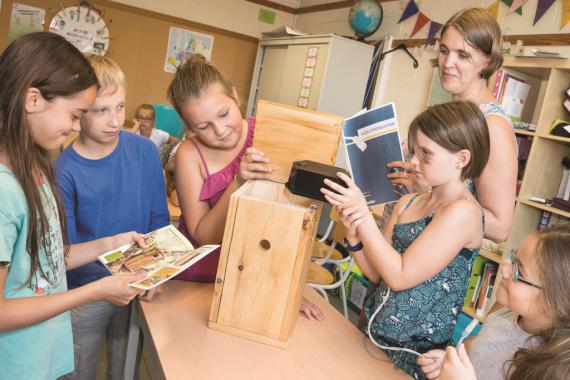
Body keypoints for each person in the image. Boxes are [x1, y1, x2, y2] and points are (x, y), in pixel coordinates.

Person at [0, 32, 145, 380]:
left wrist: (108, 245)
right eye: (75, 114)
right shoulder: (4, 191)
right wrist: (93, 291)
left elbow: (46, 261)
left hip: (42, 359)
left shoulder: (36, 167)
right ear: (33, 99)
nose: (77, 127)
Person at [322, 101, 490, 379]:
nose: (413, 161)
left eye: (426, 154)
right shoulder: (410, 200)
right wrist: (354, 238)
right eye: (414, 150)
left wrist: (363, 216)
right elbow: (378, 274)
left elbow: (400, 276)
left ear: (461, 159)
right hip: (373, 337)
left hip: (415, 358)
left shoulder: (463, 212)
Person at [168, 54, 323, 320]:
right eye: (203, 126)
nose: (220, 130)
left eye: (224, 114)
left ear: (236, 96)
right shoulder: (188, 154)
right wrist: (237, 182)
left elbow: (286, 223)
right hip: (201, 277)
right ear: (188, 128)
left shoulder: (267, 134)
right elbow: (203, 236)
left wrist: (287, 288)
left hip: (256, 272)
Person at [55, 55, 170, 379]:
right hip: (88, 289)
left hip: (139, 277)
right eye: (101, 110)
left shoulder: (145, 151)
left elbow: (158, 217)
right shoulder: (65, 170)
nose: (114, 120)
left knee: (125, 367)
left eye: (120, 107)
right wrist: (105, 283)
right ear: (79, 114)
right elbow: (66, 251)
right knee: (78, 368)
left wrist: (158, 272)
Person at [388, 7, 517, 243]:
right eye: (444, 51)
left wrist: (426, 194)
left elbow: (500, 228)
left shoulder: (492, 126)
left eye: (463, 55)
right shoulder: (448, 113)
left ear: (488, 60)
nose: (447, 63)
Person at [419, 224, 570, 380]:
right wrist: (452, 362)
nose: (504, 269)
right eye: (513, 259)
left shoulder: (555, 370)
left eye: (519, 272)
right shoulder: (505, 308)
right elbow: (478, 345)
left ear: (558, 303)